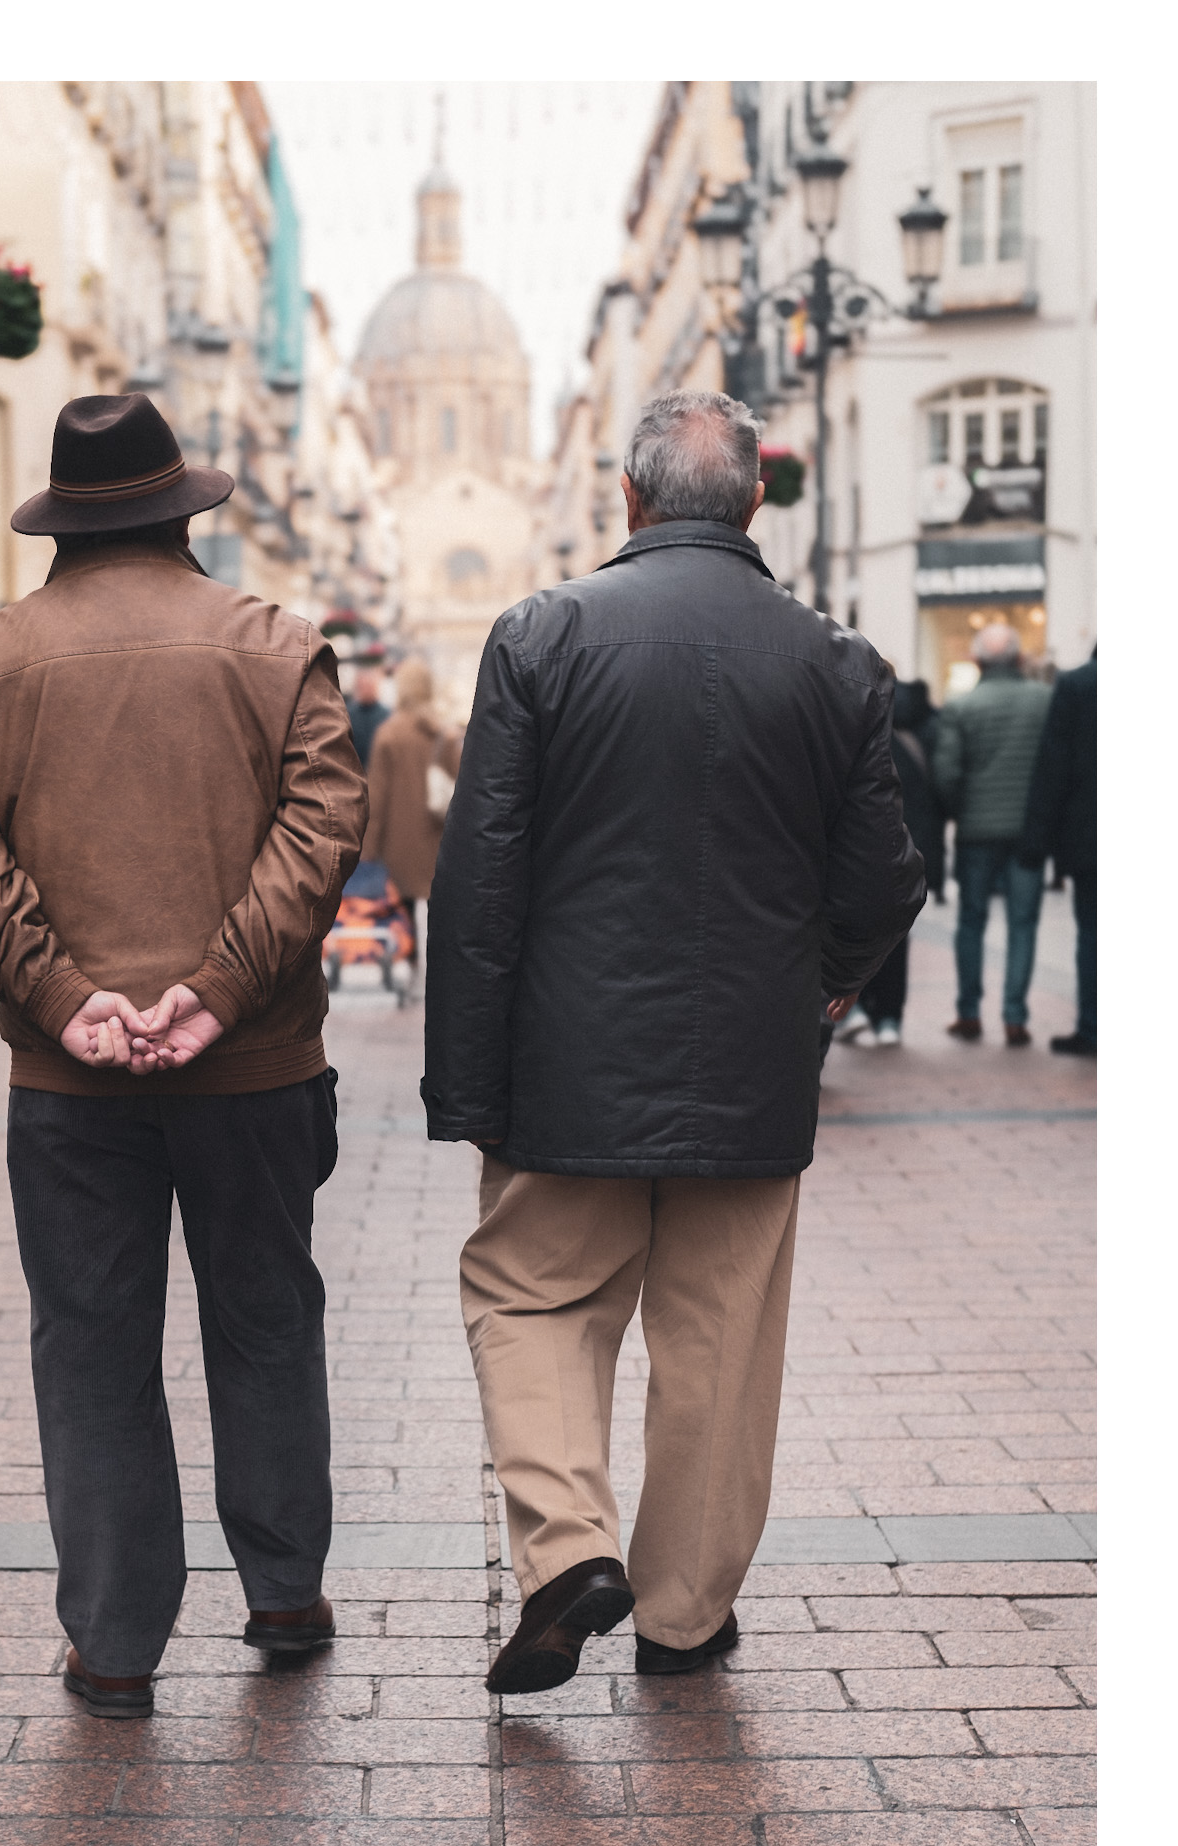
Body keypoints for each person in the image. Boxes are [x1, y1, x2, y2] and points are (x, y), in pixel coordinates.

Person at [424, 388, 924, 1696]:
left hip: (563, 1064)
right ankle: (683, 1612)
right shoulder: (834, 662)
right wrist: (806, 987)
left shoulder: (540, 634)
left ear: (629, 499)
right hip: (750, 1066)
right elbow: (881, 880)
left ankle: (567, 1548)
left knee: (530, 1297)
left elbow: (479, 879)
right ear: (754, 499)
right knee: (718, 1341)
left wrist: (468, 1082)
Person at [0, 393, 367, 1719]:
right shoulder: (276, 648)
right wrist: (219, 990)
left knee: (92, 1346)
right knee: (266, 1319)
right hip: (256, 1066)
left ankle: (114, 1640)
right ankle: (283, 1593)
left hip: (69, 1081)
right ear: (185, 510)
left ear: (61, 521)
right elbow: (320, 831)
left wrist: (68, 998)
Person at [931, 623, 1051, 1047]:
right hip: (1028, 832)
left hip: (976, 832)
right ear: (1019, 659)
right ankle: (1015, 1017)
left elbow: (946, 773)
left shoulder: (961, 707)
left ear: (978, 660)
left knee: (971, 920)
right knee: (1023, 923)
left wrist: (957, 812)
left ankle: (968, 1012)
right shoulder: (1044, 701)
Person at [832, 675, 945, 1047]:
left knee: (854, 933)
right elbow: (930, 805)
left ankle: (858, 1009)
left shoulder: (851, 740)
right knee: (895, 937)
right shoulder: (911, 742)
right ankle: (889, 1017)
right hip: (904, 857)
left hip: (858, 860)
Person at [363, 657, 461, 999]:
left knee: (401, 908)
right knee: (440, 909)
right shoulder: (444, 734)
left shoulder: (389, 733)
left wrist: (369, 846)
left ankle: (410, 967)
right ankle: (441, 974)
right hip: (437, 839)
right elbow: (461, 788)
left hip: (399, 842)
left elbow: (377, 795)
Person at [1018, 648, 1096, 1055]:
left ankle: (1093, 1026)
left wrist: (1036, 840)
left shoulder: (1078, 685)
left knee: (1094, 933)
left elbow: (1054, 766)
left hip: (1091, 836)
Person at [346, 664, 389, 767]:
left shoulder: (386, 715)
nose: (366, 690)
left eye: (369, 686)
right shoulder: (347, 715)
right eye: (362, 686)